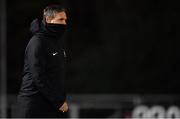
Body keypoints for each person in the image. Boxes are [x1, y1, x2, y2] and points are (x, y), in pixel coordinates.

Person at [15, 4, 69, 118]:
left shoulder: (56, 44)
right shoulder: (37, 42)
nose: (64, 23)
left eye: (65, 19)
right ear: (49, 20)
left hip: (51, 106)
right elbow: (38, 77)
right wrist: (58, 102)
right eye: (61, 19)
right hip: (34, 108)